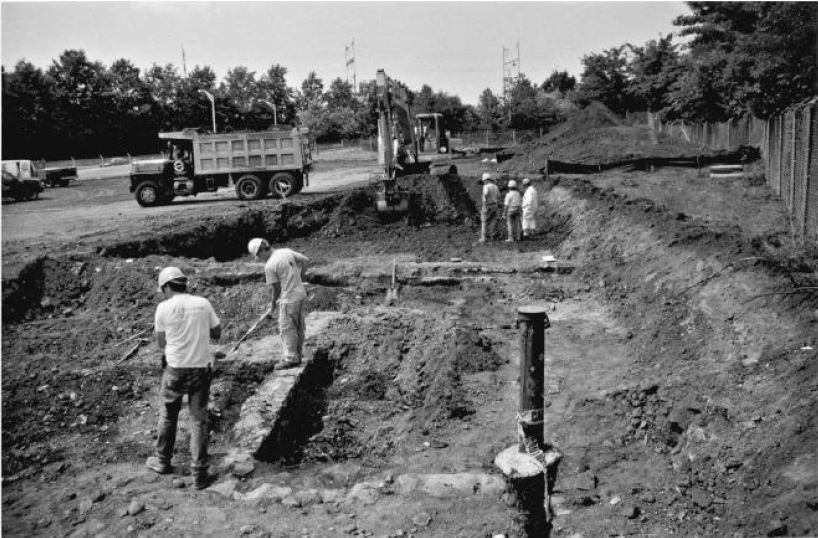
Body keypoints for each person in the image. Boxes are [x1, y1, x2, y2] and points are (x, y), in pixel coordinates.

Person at [146, 267, 221, 490]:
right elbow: (217, 334)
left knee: (168, 416)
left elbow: (161, 343)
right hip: (200, 368)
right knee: (198, 420)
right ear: (184, 283)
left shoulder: (163, 308)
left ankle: (162, 461)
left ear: (167, 287)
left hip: (175, 369)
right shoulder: (203, 303)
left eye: (164, 290)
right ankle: (199, 474)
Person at [248, 238, 309, 369]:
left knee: (287, 328)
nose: (259, 258)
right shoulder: (285, 251)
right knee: (298, 327)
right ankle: (297, 355)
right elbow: (305, 260)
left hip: (289, 300)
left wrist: (273, 303)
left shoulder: (270, 265)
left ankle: (291, 358)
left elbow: (276, 288)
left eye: (258, 255)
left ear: (261, 251)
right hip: (301, 295)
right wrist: (301, 277)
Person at [479, 172, 500, 243]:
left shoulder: (486, 186)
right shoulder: (495, 186)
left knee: (484, 221)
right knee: (493, 221)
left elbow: (485, 196)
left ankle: (483, 237)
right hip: (495, 205)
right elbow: (499, 196)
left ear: (486, 180)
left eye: (484, 181)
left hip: (488, 205)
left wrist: (484, 206)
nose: (484, 182)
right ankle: (493, 235)